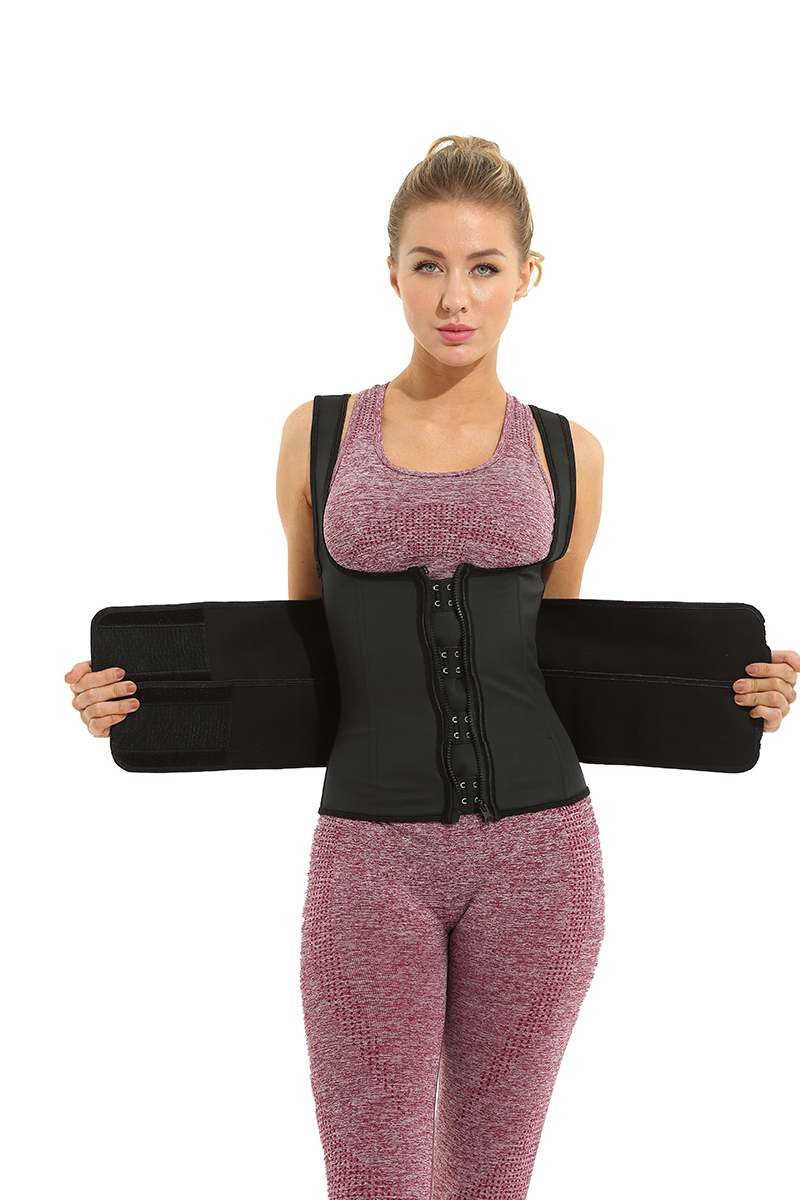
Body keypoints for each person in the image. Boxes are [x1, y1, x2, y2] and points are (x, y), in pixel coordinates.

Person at [64, 135, 799, 1199]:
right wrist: (140, 703)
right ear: (392, 273)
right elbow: (299, 650)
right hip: (367, 861)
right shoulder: (319, 435)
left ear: (527, 275)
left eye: (483, 266)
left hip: (546, 859)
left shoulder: (568, 452)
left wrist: (737, 699)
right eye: (428, 264)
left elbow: (567, 661)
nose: (455, 297)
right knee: (371, 1182)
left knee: (490, 1184)